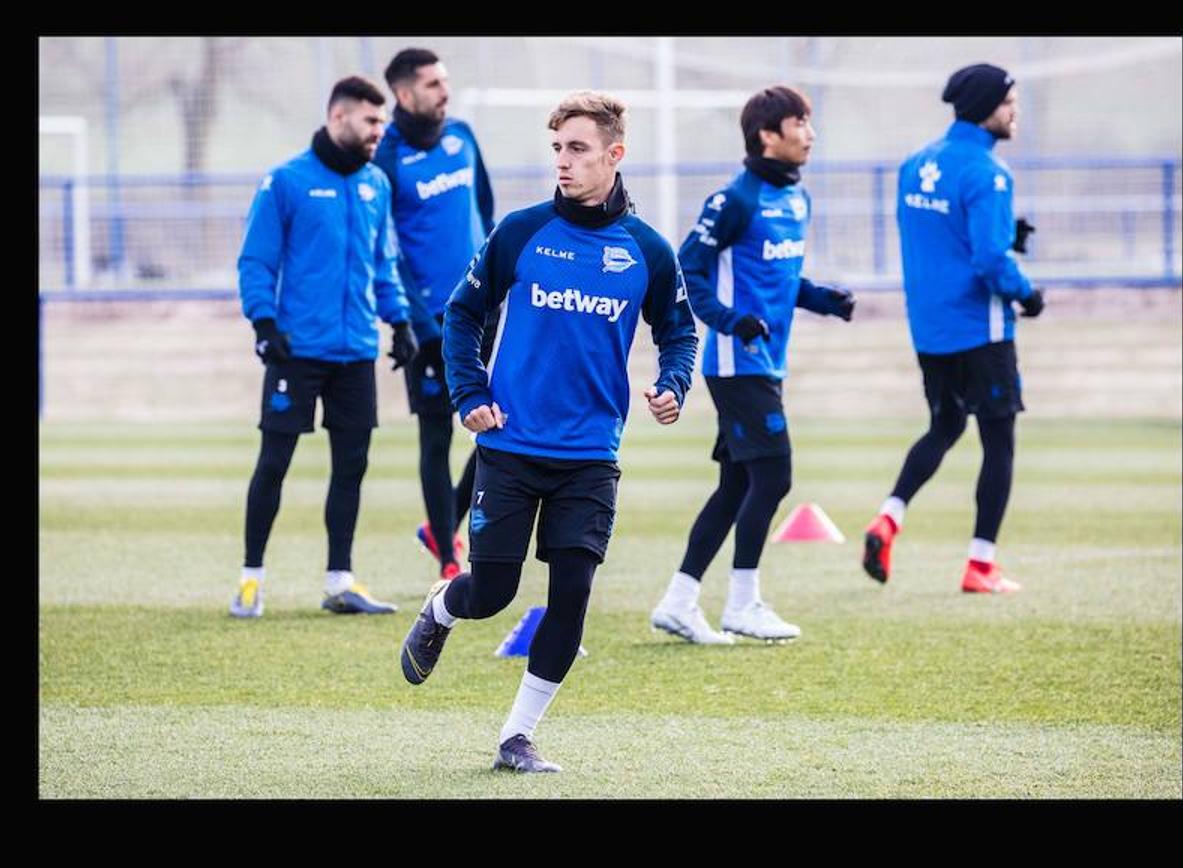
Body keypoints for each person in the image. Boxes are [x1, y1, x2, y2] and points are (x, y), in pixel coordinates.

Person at [397, 91, 697, 773]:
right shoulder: (520, 231)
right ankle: (442, 609)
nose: (563, 162)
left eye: (578, 149)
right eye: (558, 149)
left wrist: (672, 384)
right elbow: (462, 314)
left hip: (591, 456)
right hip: (508, 447)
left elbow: (679, 331)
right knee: (491, 592)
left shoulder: (648, 251)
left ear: (615, 155)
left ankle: (516, 737)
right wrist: (469, 393)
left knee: (572, 595)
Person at [648, 86, 856, 645]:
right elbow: (685, 269)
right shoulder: (733, 200)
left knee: (737, 483)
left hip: (766, 359)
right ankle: (742, 604)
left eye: (810, 123)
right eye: (799, 123)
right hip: (734, 361)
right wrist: (728, 320)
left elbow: (779, 281)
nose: (810, 133)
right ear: (768, 134)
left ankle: (679, 600)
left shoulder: (798, 199)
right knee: (774, 474)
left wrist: (822, 299)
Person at [229, 75, 418, 618]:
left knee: (352, 466)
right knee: (275, 462)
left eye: (382, 121)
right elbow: (257, 261)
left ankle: (340, 581)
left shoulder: (375, 185)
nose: (379, 130)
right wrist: (264, 322)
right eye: (370, 120)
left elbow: (382, 263)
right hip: (297, 350)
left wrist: (399, 320)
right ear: (339, 118)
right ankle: (251, 579)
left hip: (356, 351)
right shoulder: (286, 181)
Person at [861, 63, 1043, 595]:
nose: (1015, 111)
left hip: (929, 329)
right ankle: (980, 565)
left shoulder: (914, 164)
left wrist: (1009, 234)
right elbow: (990, 259)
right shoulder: (989, 174)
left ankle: (888, 517)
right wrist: (1027, 294)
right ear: (989, 107)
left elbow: (938, 237)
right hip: (980, 329)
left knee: (945, 426)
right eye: (1010, 101)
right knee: (999, 440)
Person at [374, 48, 498, 581]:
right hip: (430, 321)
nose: (444, 92)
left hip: (484, 310)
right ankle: (449, 557)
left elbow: (486, 213)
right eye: (432, 84)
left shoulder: (463, 137)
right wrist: (414, 319)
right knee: (436, 437)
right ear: (405, 95)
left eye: (445, 81)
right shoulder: (386, 158)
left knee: (497, 422)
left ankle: (442, 524)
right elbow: (385, 247)